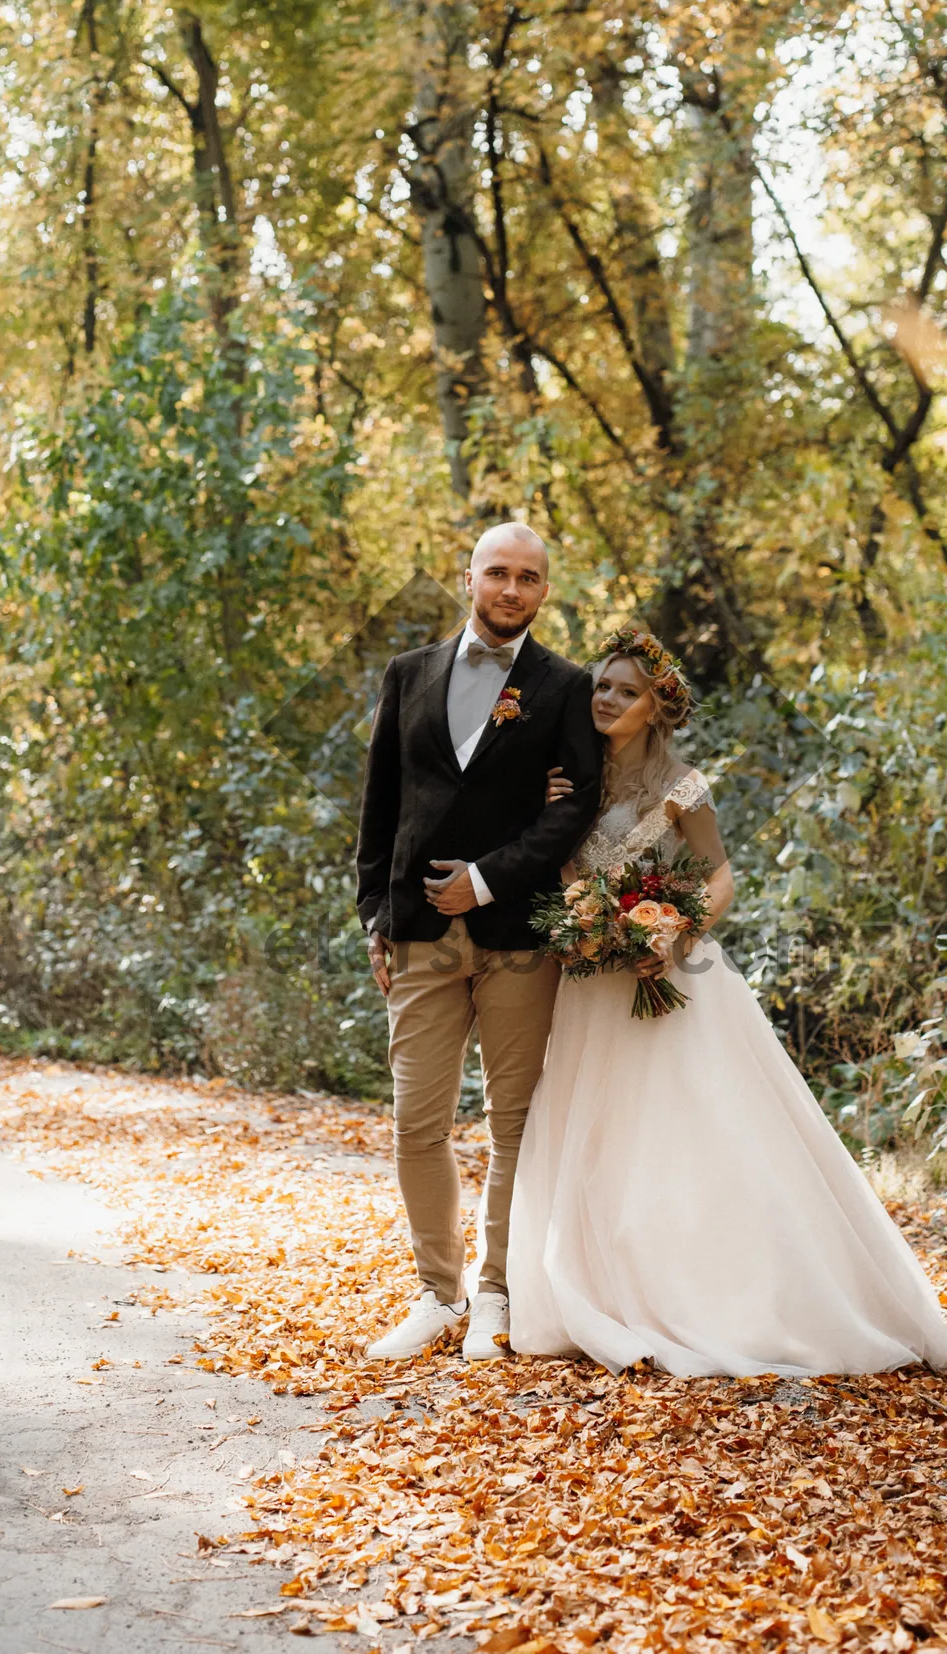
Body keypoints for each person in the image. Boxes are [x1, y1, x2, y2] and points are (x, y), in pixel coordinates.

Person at [506, 627, 947, 1377]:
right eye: (602, 685)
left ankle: (710, 1290)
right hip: (591, 978)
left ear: (657, 707)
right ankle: (593, 1284)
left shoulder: (685, 786)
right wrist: (585, 917)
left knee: (687, 1127)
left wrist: (671, 928)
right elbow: (556, 857)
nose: (609, 698)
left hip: (674, 975)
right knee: (592, 1126)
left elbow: (719, 877)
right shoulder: (571, 776)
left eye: (628, 690)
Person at [356, 524, 604, 1361]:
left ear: (544, 591)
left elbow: (572, 810)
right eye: (498, 573)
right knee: (415, 1122)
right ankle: (437, 1294)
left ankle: (496, 1296)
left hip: (516, 931)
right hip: (419, 930)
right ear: (468, 577)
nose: (511, 589)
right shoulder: (407, 674)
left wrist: (489, 878)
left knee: (514, 1124)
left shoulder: (566, 687)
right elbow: (380, 801)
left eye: (528, 578)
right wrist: (372, 915)